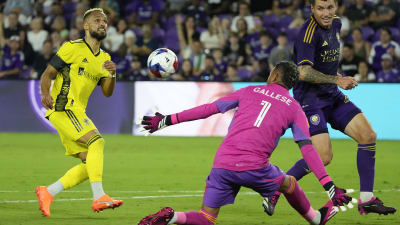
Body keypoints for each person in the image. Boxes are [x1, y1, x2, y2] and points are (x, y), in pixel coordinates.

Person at [137, 61, 352, 225]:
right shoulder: (295, 108)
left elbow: (207, 110)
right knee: (288, 183)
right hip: (256, 168)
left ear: (275, 74)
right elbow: (307, 149)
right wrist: (329, 186)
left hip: (223, 164)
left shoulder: (249, 90)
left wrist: (166, 120)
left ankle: (173, 217)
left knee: (207, 217)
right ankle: (315, 218)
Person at [264, 0, 396, 216]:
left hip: (331, 95)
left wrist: (337, 76)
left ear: (336, 8)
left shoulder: (336, 24)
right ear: (312, 9)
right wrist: (337, 80)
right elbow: (303, 72)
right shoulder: (308, 34)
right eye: (321, 9)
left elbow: (329, 58)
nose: (326, 13)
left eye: (330, 8)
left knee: (368, 135)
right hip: (310, 100)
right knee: (323, 157)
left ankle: (367, 200)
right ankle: (275, 188)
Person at [36, 8, 123, 217]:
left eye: (104, 21)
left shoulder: (104, 58)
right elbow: (48, 74)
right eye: (96, 20)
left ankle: (48, 191)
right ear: (86, 26)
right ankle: (99, 196)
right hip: (63, 108)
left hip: (75, 112)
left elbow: (107, 92)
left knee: (90, 162)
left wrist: (112, 74)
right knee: (98, 142)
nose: (102, 23)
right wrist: (44, 94)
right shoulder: (72, 48)